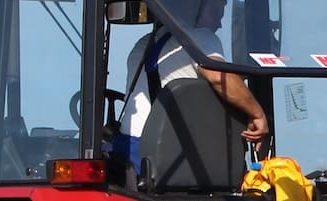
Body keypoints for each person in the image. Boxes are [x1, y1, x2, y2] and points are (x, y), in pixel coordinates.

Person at [115, 14, 270, 172]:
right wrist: (257, 114)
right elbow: (219, 77)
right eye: (217, 7)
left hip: (127, 148)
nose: (220, 24)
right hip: (164, 153)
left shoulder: (144, 44)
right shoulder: (201, 37)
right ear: (199, 2)